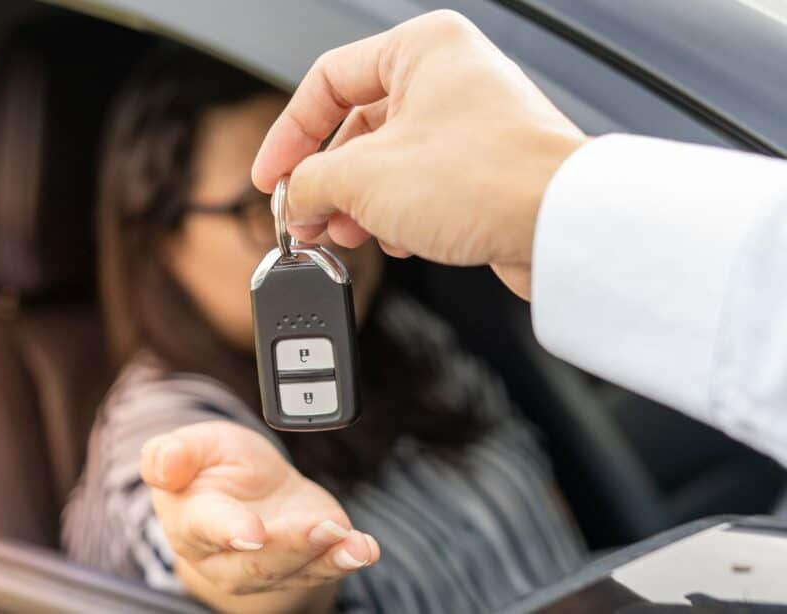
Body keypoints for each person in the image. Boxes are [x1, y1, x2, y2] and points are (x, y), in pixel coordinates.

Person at [63, 45, 584, 613]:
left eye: (329, 186)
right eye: (264, 207)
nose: (320, 233)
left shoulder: (401, 333)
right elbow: (213, 557)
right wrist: (265, 552)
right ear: (161, 238)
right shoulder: (162, 422)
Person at [251, 10, 787, 469]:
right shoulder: (190, 413)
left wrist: (543, 198)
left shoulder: (423, 340)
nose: (342, 235)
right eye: (248, 207)